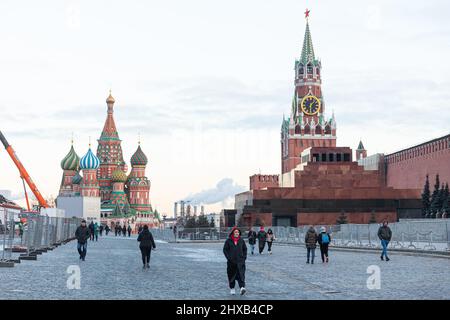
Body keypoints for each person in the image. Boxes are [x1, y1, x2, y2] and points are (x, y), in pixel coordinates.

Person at [223, 227, 247, 296]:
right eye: (235, 232)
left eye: (238, 232)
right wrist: (229, 258)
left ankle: (242, 287)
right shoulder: (228, 241)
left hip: (240, 262)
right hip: (231, 263)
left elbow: (245, 249)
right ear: (233, 233)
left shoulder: (241, 240)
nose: (237, 233)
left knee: (241, 275)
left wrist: (244, 258)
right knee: (231, 276)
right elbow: (225, 250)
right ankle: (232, 288)